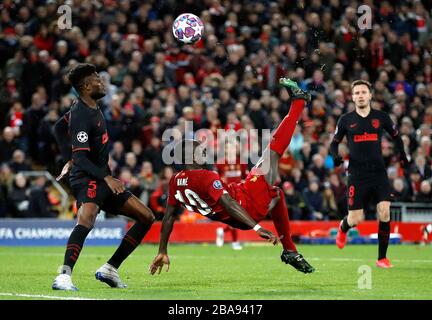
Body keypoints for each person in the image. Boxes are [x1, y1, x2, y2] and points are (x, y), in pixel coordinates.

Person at [150, 79, 315, 275]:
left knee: (276, 193)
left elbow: (168, 218)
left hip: (241, 202)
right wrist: (257, 228)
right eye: (199, 150)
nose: (204, 151)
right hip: (246, 205)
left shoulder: (175, 181)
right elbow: (228, 203)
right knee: (272, 152)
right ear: (191, 156)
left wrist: (162, 250)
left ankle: (290, 251)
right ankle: (298, 102)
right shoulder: (206, 176)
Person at [51, 64, 155, 291]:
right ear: (87, 86)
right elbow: (81, 159)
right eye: (97, 78)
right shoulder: (81, 114)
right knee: (87, 219)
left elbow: (59, 128)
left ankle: (110, 269)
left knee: (146, 217)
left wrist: (67, 155)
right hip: (87, 177)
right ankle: (64, 276)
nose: (102, 81)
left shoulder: (87, 106)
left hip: (101, 176)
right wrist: (102, 175)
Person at [330, 80, 408, 268]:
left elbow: (396, 137)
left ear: (370, 95)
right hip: (357, 175)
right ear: (352, 97)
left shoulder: (381, 117)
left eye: (363, 92)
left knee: (384, 212)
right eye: (356, 93)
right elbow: (334, 142)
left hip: (379, 173)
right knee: (356, 219)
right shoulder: (346, 120)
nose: (360, 95)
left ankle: (382, 258)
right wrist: (336, 156)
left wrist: (402, 155)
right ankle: (343, 228)